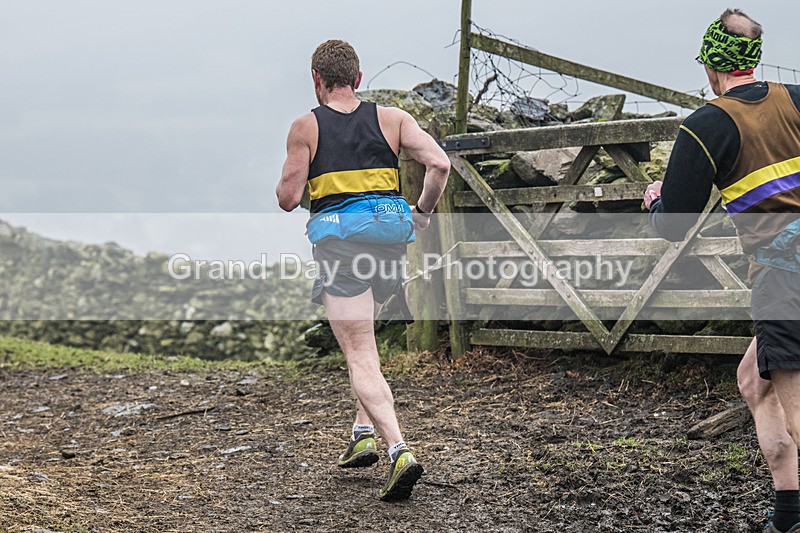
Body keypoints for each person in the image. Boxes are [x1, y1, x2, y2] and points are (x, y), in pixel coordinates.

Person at [644, 9, 800, 532]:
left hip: (785, 276)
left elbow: (673, 224)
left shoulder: (706, 125)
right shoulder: (797, 98)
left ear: (712, 62)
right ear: (753, 59)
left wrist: (655, 203)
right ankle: (788, 512)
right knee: (754, 383)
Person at [276, 39, 450, 501]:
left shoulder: (306, 126)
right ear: (357, 78)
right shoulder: (392, 119)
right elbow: (439, 163)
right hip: (389, 243)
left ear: (317, 81)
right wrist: (423, 212)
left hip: (341, 249)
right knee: (366, 340)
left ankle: (399, 451)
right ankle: (361, 435)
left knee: (359, 355)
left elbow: (288, 199)